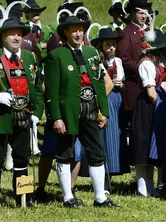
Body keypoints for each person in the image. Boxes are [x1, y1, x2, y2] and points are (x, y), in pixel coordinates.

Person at [44, 15, 120, 208]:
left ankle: (100, 197)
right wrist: (56, 118)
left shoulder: (91, 52)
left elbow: (101, 85)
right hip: (68, 112)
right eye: (74, 31)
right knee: (65, 153)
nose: (78, 34)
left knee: (97, 152)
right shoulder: (56, 55)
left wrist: (104, 111)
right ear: (66, 33)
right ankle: (68, 196)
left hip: (91, 110)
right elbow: (51, 91)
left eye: (81, 30)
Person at [0, 17, 43, 208]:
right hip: (0, 117)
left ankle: (23, 197)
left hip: (23, 116)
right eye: (12, 34)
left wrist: (37, 113)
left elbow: (36, 88)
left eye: (19, 34)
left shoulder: (30, 58)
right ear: (3, 37)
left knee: (22, 158)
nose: (16, 37)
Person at [130, 30, 166, 197]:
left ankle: (149, 186)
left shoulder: (153, 62)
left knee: (148, 146)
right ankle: (142, 187)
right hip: (146, 107)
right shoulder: (146, 64)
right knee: (142, 144)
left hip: (150, 106)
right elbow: (150, 91)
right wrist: (162, 108)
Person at [90, 28, 130, 183]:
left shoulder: (117, 61)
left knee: (114, 135)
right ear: (101, 45)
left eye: (113, 44)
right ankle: (100, 175)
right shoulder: (95, 60)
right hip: (102, 97)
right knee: (102, 135)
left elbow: (121, 80)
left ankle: (111, 173)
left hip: (115, 99)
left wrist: (120, 84)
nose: (111, 48)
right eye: (108, 44)